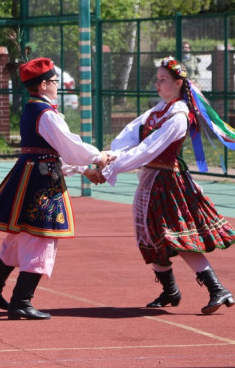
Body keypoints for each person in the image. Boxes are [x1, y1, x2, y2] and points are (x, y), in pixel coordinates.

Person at [89, 58, 235, 314]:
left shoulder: (178, 116)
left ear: (178, 83)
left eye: (163, 79)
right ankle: (170, 291)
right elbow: (130, 135)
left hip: (168, 183)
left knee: (176, 236)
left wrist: (110, 166)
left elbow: (147, 150)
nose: (157, 84)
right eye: (157, 79)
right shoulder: (158, 110)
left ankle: (217, 289)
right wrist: (105, 157)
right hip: (150, 180)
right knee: (147, 234)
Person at [0, 57, 106, 320]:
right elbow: (68, 147)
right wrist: (96, 156)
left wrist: (84, 169)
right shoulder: (46, 114)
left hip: (31, 175)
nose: (58, 85)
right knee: (41, 237)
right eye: (55, 81)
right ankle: (21, 301)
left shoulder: (34, 109)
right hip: (40, 183)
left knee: (19, 235)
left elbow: (50, 153)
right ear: (44, 84)